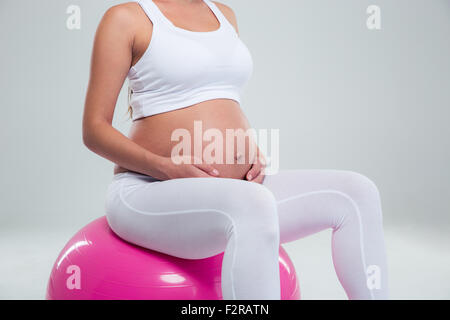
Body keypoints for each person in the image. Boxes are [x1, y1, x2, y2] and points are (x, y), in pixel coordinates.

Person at [82, 0, 389, 299]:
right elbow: (94, 130)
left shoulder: (224, 15)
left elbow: (221, 98)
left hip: (235, 194)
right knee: (254, 204)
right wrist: (166, 166)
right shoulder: (127, 17)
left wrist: (249, 152)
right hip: (147, 190)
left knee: (357, 193)